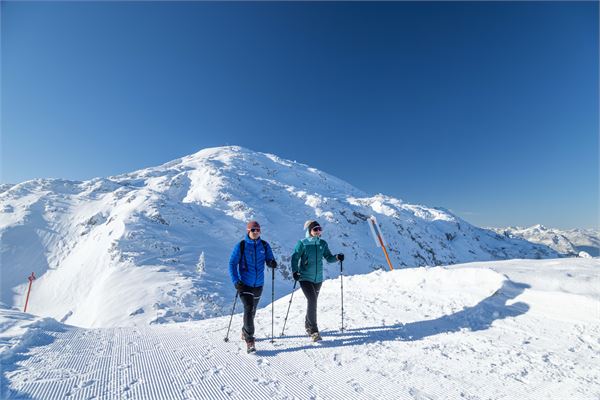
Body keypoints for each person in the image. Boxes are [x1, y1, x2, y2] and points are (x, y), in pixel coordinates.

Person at [290, 220, 344, 342]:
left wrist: (337, 257)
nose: (318, 231)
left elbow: (329, 258)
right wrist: (295, 271)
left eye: (320, 229)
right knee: (312, 300)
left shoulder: (322, 243)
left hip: (318, 279)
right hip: (305, 278)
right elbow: (295, 258)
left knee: (312, 303)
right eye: (315, 229)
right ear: (309, 230)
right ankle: (314, 331)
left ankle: (307, 325)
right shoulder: (302, 243)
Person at [228, 220, 277, 353]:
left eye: (258, 230)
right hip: (244, 284)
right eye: (253, 230)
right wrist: (236, 281)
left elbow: (269, 259)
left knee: (252, 311)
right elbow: (232, 264)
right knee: (248, 308)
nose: (256, 232)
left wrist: (272, 263)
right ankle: (250, 341)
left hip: (259, 284)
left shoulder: (265, 245)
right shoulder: (242, 246)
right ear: (248, 231)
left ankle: (245, 330)